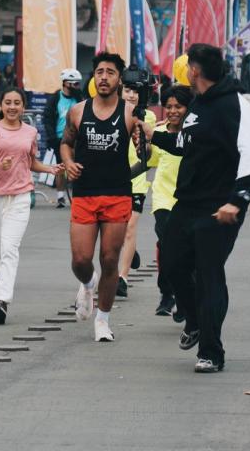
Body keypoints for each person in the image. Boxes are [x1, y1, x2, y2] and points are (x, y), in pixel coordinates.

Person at [140, 44, 250, 373]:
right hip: (188, 202)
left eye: (188, 68)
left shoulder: (236, 105)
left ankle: (211, 350)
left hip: (221, 205)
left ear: (195, 70)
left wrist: (236, 202)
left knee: (209, 274)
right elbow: (188, 143)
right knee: (172, 263)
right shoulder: (198, 106)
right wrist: (155, 137)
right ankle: (193, 320)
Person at [61, 52, 141, 342]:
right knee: (81, 259)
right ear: (93, 77)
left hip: (117, 193)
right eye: (99, 72)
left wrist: (142, 137)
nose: (104, 77)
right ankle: (87, 282)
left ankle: (103, 320)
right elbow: (66, 144)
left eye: (110, 72)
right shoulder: (79, 112)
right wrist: (68, 162)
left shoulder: (131, 112)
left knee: (110, 259)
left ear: (119, 79)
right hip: (85, 193)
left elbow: (146, 153)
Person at [0, 87, 60, 324]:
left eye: (17, 103)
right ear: (1, 106)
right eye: (8, 103)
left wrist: (49, 168)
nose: (12, 107)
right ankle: (2, 279)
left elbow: (31, 161)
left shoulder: (30, 131)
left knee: (10, 249)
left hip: (21, 196)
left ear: (23, 107)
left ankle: (1, 300)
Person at [141, 84, 192, 317]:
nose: (172, 111)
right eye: (168, 106)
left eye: (178, 107)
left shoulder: (194, 133)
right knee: (168, 244)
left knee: (185, 251)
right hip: (163, 198)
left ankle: (184, 298)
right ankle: (167, 292)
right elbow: (147, 163)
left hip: (189, 200)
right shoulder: (157, 131)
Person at [116, 84, 156, 298]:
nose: (131, 95)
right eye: (127, 90)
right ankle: (131, 254)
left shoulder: (147, 116)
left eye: (135, 91)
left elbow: (147, 148)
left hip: (137, 178)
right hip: (114, 179)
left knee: (130, 226)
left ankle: (122, 278)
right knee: (117, 228)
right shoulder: (110, 112)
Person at [43, 68, 84, 208]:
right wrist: (51, 137)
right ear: (66, 83)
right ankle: (60, 197)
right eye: (75, 84)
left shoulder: (79, 98)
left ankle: (79, 195)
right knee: (61, 167)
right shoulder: (55, 99)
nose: (78, 87)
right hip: (60, 139)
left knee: (78, 166)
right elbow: (47, 119)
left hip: (78, 139)